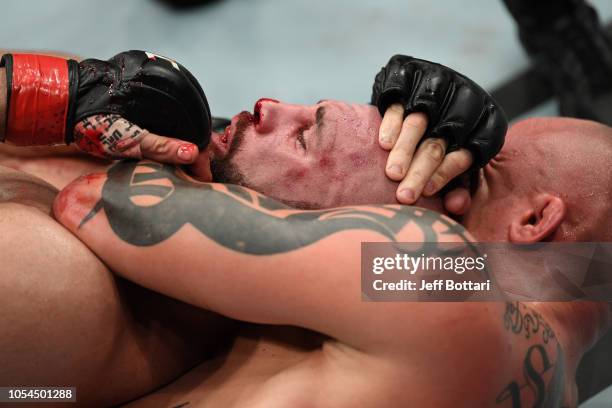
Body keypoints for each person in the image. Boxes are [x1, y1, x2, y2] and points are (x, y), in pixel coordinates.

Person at [54, 115, 612, 407]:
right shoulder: (558, 390)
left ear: (536, 222)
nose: (448, 177)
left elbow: (104, 205)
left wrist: (214, 134)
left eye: (486, 168)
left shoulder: (441, 276)